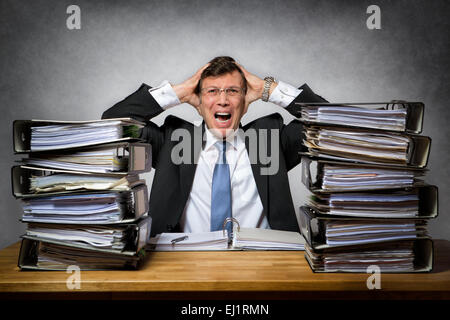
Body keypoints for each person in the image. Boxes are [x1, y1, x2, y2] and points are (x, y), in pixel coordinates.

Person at [102, 56, 326, 236]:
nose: (223, 100)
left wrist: (269, 89)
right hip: (184, 266)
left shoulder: (268, 140)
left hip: (265, 264)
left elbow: (332, 123)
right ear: (198, 104)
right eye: (212, 91)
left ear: (246, 103)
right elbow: (112, 123)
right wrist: (177, 92)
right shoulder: (175, 142)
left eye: (232, 91)